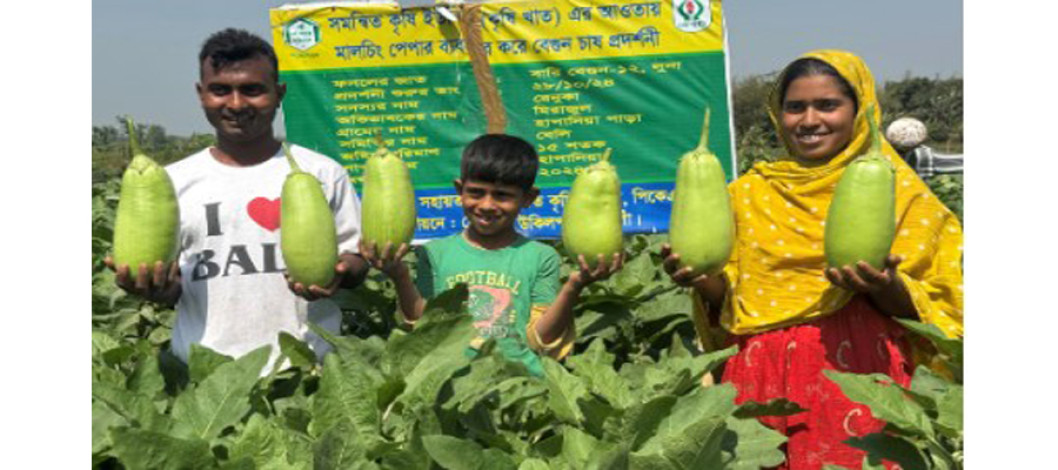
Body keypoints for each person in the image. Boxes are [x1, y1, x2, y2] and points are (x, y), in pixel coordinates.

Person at [662, 50, 963, 469]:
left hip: (857, 378)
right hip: (758, 373)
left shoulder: (902, 192)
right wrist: (696, 278)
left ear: (860, 110)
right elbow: (728, 300)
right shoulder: (747, 193)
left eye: (827, 105)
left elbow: (931, 311)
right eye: (794, 107)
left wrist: (885, 285)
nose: (808, 120)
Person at [105, 28, 369, 370]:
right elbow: (178, 287)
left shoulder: (323, 173)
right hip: (206, 372)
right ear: (201, 94)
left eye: (252, 90)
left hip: (307, 369)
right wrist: (156, 290)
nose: (235, 104)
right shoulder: (170, 182)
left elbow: (357, 258)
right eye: (220, 90)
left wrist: (342, 273)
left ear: (279, 93)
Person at [361, 134, 622, 377]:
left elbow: (537, 339)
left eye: (502, 196)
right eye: (476, 192)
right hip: (448, 384)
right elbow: (423, 326)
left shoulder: (543, 257)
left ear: (529, 198)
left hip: (520, 384)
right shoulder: (433, 253)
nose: (487, 205)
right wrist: (399, 276)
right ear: (459, 190)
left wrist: (575, 286)